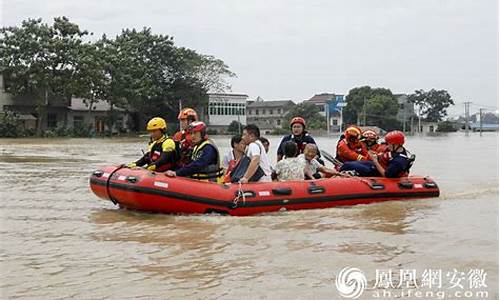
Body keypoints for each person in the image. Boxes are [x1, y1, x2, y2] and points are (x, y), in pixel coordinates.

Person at [340, 130, 412, 178]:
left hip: (376, 171)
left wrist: (375, 161)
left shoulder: (399, 161)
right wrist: (376, 156)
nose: (387, 146)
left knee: (347, 165)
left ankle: (337, 176)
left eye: (389, 144)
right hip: (375, 165)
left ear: (396, 145)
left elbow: (385, 175)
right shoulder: (396, 151)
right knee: (348, 164)